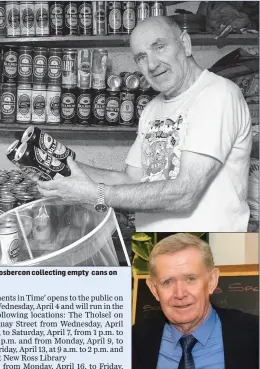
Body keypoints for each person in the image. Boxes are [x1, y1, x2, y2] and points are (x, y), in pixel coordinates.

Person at [37, 16, 252, 232]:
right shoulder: (153, 109)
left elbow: (185, 193)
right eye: (141, 57)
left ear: (185, 44)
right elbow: (131, 179)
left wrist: (96, 194)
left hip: (211, 251)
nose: (151, 64)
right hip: (155, 248)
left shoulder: (217, 94)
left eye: (159, 47)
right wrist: (58, 165)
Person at [132, 233, 259, 369]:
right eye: (167, 282)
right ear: (154, 289)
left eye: (190, 279)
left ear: (211, 281)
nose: (180, 294)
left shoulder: (254, 336)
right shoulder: (133, 341)